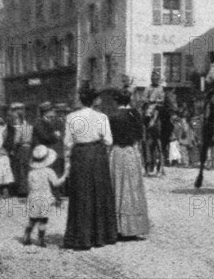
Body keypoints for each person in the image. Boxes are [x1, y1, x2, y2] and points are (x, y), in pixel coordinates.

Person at [63, 84, 117, 250]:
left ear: (81, 99)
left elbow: (67, 143)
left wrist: (67, 162)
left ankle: (80, 236)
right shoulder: (101, 117)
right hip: (97, 155)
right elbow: (108, 140)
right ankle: (100, 235)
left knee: (81, 194)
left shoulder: (71, 117)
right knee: (99, 193)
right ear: (94, 100)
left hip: (79, 155)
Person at [109, 88, 150, 240]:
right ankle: (133, 226)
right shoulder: (135, 114)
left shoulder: (112, 116)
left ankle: (118, 227)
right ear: (129, 100)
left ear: (116, 100)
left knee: (117, 187)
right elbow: (140, 135)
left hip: (117, 152)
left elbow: (109, 138)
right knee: (132, 188)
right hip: (131, 152)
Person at [22, 145, 68, 247]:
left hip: (33, 196)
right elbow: (55, 183)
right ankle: (40, 239)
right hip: (45, 197)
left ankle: (26, 235)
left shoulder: (31, 173)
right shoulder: (49, 171)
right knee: (43, 220)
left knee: (32, 219)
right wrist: (65, 176)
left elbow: (29, 186)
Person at [4, 103, 33, 197]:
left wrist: (13, 150)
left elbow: (16, 141)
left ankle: (22, 190)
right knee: (27, 169)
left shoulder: (19, 128)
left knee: (21, 170)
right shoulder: (29, 126)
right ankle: (28, 189)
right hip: (29, 149)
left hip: (21, 149)